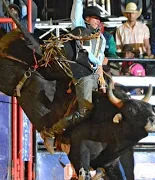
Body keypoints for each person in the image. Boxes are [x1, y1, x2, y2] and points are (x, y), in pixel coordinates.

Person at [41, 0, 107, 154]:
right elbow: (75, 15)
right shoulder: (80, 30)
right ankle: (51, 131)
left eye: (99, 20)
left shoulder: (101, 39)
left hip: (94, 74)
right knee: (85, 111)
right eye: (94, 18)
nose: (97, 22)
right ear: (87, 19)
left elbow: (99, 61)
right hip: (82, 74)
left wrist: (101, 79)